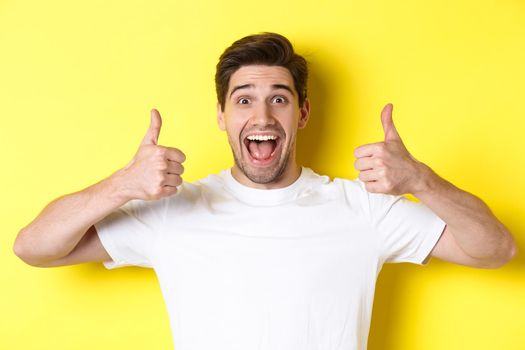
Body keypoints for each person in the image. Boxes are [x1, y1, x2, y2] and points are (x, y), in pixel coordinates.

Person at [14, 32, 517, 350]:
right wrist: (122, 184)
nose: (262, 117)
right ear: (221, 116)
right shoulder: (173, 211)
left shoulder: (363, 209)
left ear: (301, 113)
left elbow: (496, 249)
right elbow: (34, 247)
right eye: (244, 100)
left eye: (279, 98)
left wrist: (420, 181)